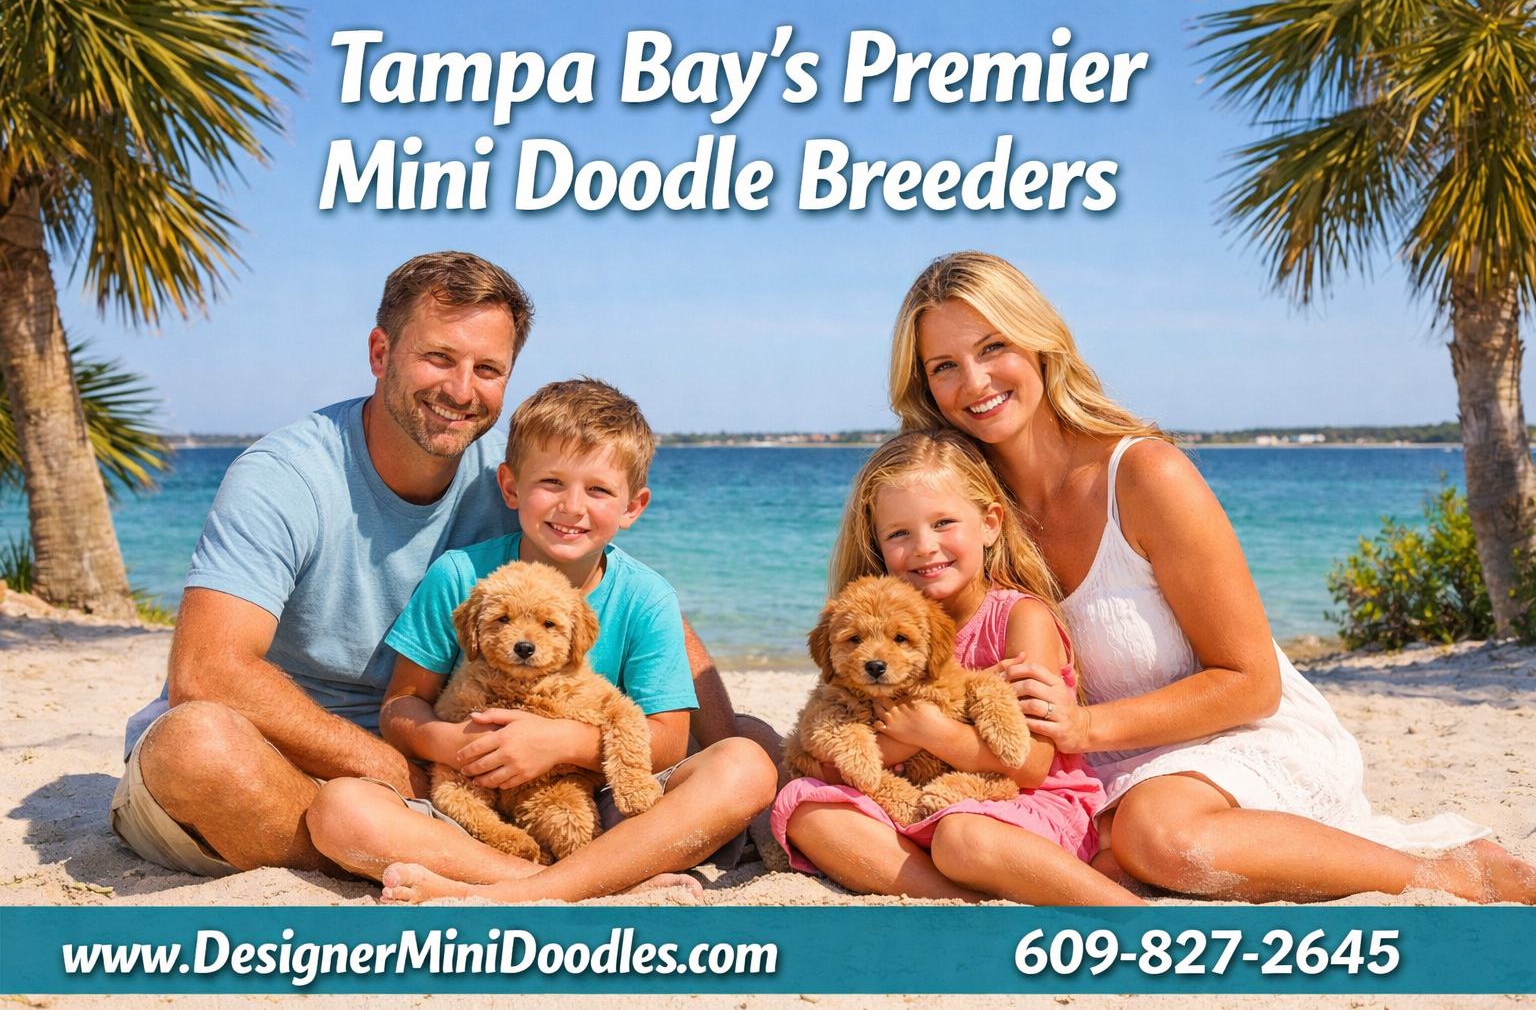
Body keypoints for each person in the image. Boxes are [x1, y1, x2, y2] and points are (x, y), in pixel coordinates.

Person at [885, 250, 1536, 904]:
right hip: (1082, 775)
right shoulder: (955, 517)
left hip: (1234, 739)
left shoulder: (1144, 476)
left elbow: (1253, 682)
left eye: (993, 347)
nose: (974, 382)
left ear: (1040, 344)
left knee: (1156, 837)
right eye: (944, 366)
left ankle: (1450, 876)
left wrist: (1084, 727)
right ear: (925, 387)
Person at [109, 252, 773, 882]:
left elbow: (627, 596)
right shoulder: (285, 478)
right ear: (381, 353)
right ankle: (536, 880)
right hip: (293, 769)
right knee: (196, 747)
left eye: (488, 369)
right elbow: (206, 673)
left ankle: (479, 862)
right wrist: (391, 762)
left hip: (453, 780)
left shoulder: (521, 482)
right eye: (438, 358)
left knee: (747, 755)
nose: (461, 390)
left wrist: (724, 754)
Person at [307, 379, 776, 903]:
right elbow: (400, 708)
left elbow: (666, 740)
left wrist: (559, 743)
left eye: (598, 490)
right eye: (551, 482)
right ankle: (556, 882)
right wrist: (455, 744)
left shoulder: (646, 596)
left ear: (632, 506)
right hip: (477, 799)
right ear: (509, 487)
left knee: (745, 764)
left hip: (601, 801)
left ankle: (507, 888)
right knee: (340, 811)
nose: (571, 506)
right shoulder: (461, 576)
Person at [769, 429, 1142, 906]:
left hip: (1020, 805)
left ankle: (1122, 912)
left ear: (989, 524)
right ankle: (955, 901)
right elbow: (833, 762)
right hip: (918, 803)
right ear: (878, 543)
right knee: (802, 809)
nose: (925, 547)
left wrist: (931, 734)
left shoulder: (1019, 620)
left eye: (944, 522)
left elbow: (1030, 764)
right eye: (899, 533)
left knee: (961, 837)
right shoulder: (868, 627)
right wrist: (893, 743)